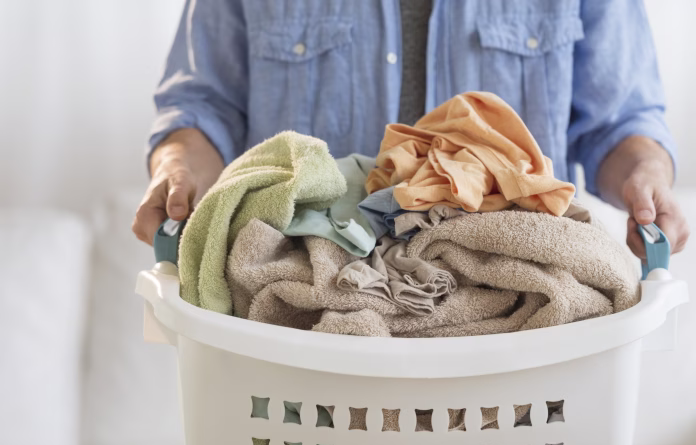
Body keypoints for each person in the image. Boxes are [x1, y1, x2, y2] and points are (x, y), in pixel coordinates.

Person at [132, 0, 689, 260]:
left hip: (519, 326)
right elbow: (203, 109)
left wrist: (646, 175)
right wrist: (177, 170)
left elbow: (619, 125)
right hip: (301, 321)